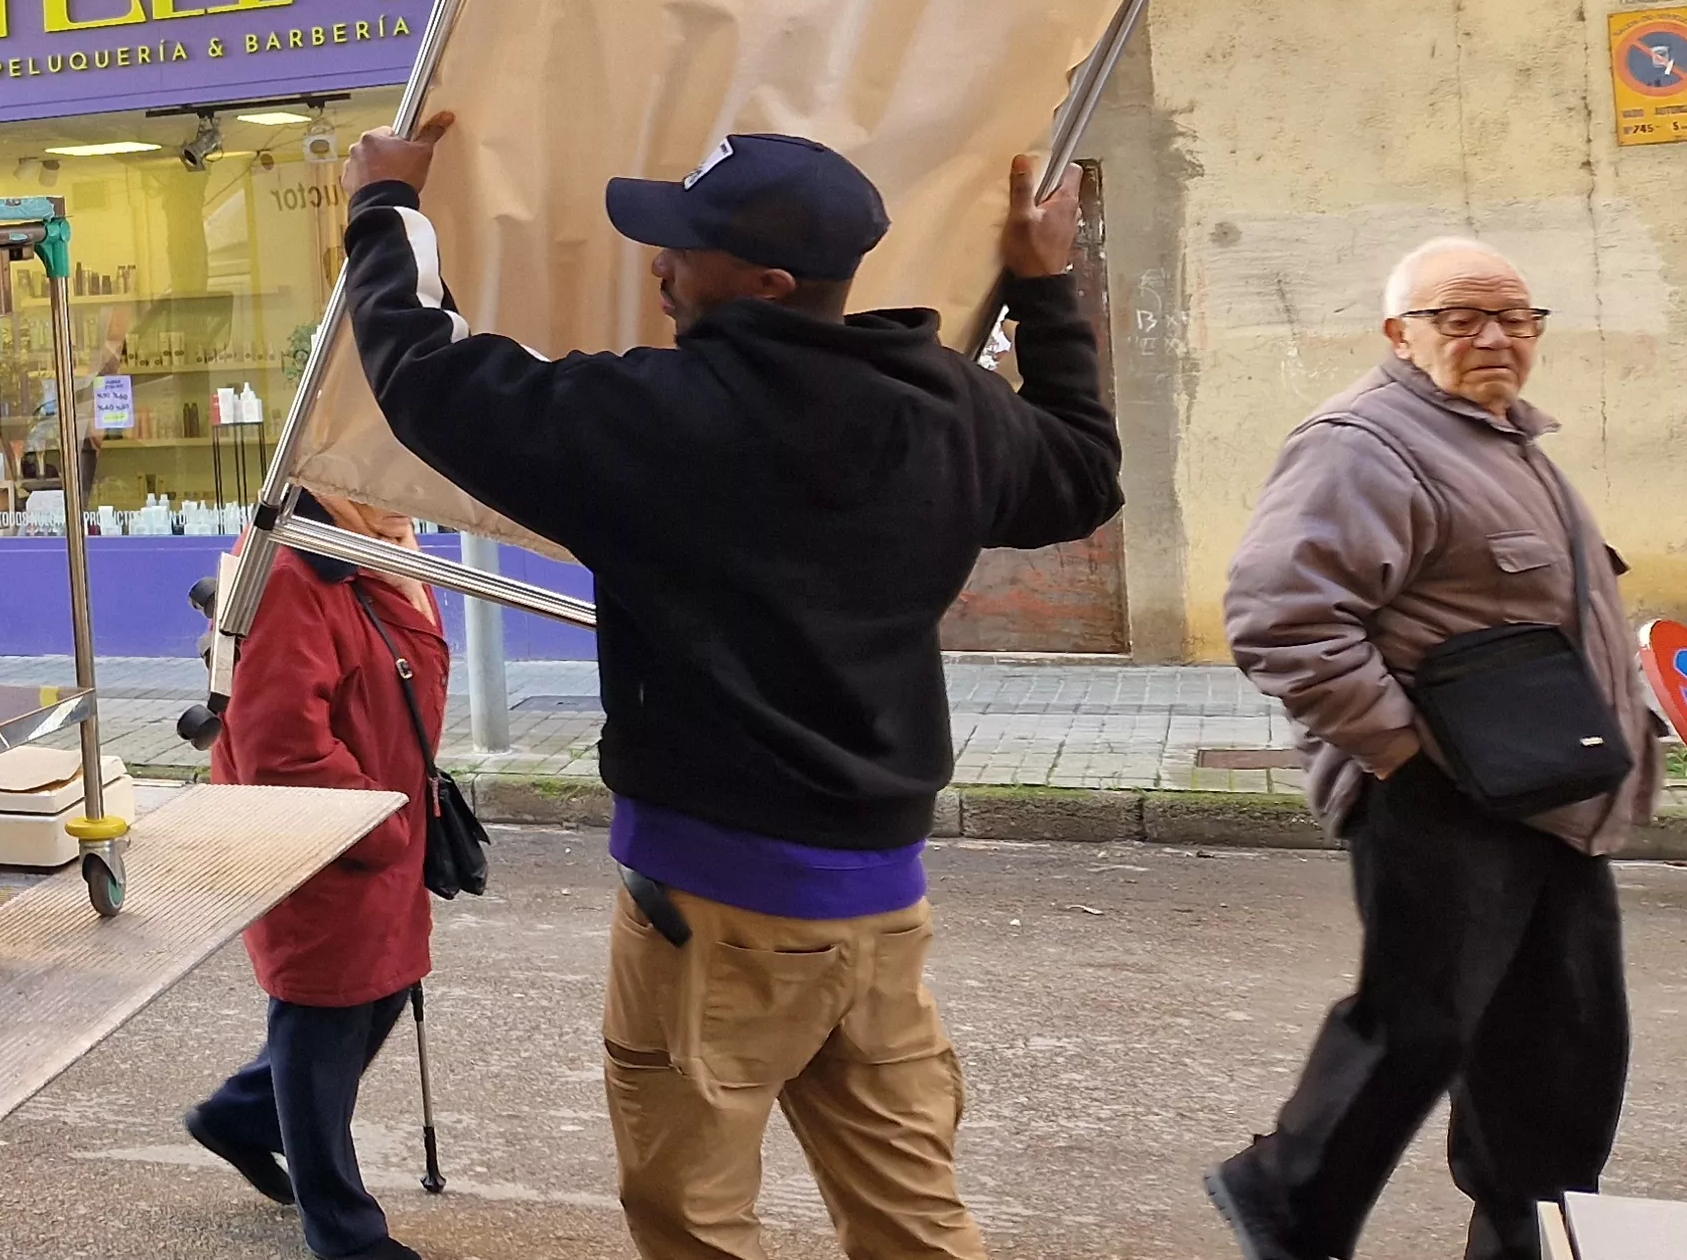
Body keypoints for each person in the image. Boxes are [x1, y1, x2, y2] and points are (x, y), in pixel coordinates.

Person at [332, 118, 1121, 1260]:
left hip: (711, 909)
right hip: (880, 905)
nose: (655, 265)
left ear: (763, 283)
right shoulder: (947, 405)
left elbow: (430, 378)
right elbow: (1083, 476)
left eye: (681, 249)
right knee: (912, 1219)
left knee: (695, 1221)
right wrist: (1042, 291)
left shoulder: (662, 421)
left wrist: (384, 207)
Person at [1206, 237, 1661, 1260]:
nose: (1494, 337)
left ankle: (1534, 1235)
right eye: (1459, 318)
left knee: (1561, 1052)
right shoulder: (1362, 445)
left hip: (1551, 795)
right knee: (1417, 1026)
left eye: (1514, 317)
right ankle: (1284, 1196)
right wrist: (1401, 753)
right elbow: (1281, 618)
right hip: (1443, 795)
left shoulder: (1502, 441)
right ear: (1398, 334)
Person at [182, 491, 449, 1260]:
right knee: (323, 1016)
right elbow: (279, 748)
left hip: (380, 824)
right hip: (325, 835)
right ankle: (344, 1233)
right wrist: (385, 820)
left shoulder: (375, 553)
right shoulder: (293, 573)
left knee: (380, 992)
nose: (408, 496)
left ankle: (241, 1114)